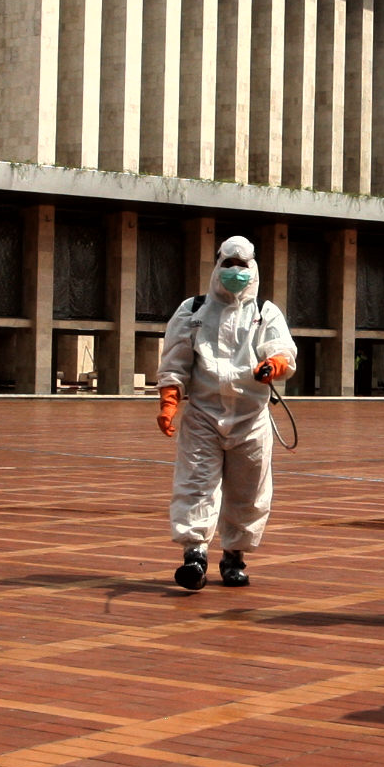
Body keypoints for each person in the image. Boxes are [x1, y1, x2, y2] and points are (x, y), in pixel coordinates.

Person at [156, 234, 294, 591]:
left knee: (248, 491)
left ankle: (234, 557)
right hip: (203, 414)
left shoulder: (265, 311)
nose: (235, 271)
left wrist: (274, 365)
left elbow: (282, 350)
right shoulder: (193, 310)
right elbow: (175, 360)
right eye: (228, 264)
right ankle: (194, 555)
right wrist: (170, 401)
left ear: (254, 269)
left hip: (251, 418)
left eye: (242, 265)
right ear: (217, 266)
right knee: (195, 483)